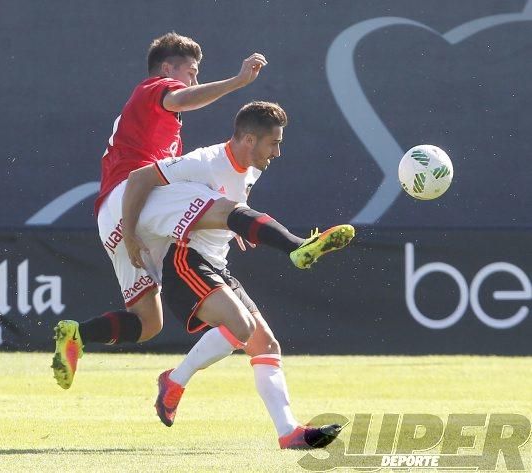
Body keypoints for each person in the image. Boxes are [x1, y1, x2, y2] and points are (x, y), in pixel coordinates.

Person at [121, 101, 354, 449]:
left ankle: (288, 432)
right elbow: (140, 178)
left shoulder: (251, 168)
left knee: (266, 345)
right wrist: (128, 235)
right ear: (248, 139)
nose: (278, 151)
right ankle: (296, 246)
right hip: (187, 260)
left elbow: (230, 207)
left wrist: (236, 229)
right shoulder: (205, 161)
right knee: (241, 327)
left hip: (218, 265)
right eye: (273, 143)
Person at [51, 31, 266, 389]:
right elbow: (181, 98)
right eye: (192, 71)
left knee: (148, 323)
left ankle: (77, 334)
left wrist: (230, 221)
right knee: (215, 208)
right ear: (168, 68)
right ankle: (289, 244)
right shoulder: (155, 88)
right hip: (129, 198)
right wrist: (237, 81)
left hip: (114, 219)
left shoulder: (162, 128)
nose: (195, 78)